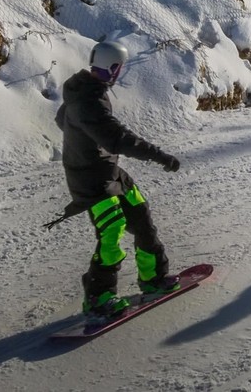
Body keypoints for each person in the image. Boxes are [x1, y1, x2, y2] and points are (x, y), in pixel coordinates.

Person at [56, 41, 184, 319]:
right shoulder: (88, 101)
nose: (120, 73)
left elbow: (62, 119)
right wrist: (159, 156)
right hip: (91, 181)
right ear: (113, 69)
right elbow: (117, 138)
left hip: (110, 172)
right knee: (112, 233)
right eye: (120, 68)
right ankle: (98, 297)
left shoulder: (86, 91)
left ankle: (152, 278)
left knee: (141, 217)